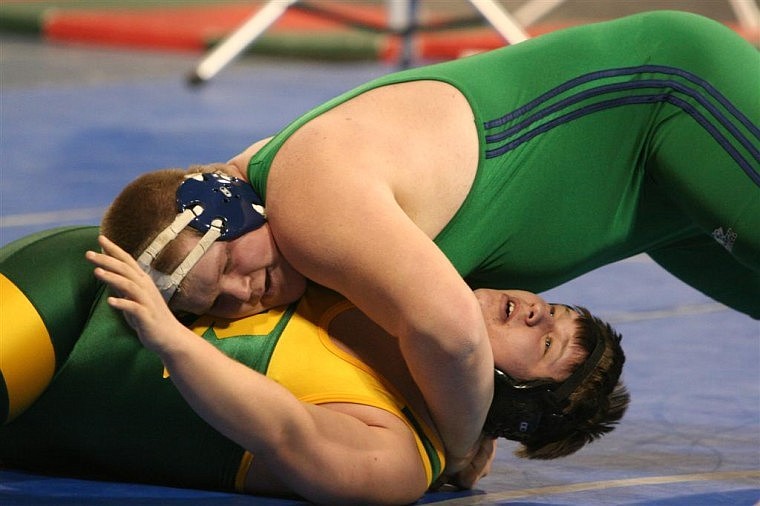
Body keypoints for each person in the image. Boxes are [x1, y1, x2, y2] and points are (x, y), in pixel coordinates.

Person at [99, 10, 758, 474]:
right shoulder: (286, 229)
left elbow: (454, 334)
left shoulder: (306, 201)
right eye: (221, 299)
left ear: (229, 203)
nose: (247, 291)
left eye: (230, 265)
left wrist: (455, 442)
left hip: (676, 101)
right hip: (656, 202)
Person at [0, 227, 627, 504]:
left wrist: (171, 338)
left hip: (71, 359)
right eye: (559, 310)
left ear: (512, 400)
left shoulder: (399, 462)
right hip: (76, 285)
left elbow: (283, 429)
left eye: (547, 345)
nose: (539, 312)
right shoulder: (406, 287)